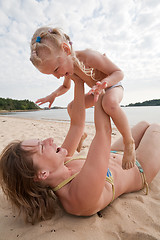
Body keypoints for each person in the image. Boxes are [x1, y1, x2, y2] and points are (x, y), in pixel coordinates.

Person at [0, 78, 160, 225]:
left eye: (41, 141)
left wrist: (78, 80)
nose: (49, 140)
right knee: (155, 127)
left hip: (117, 153)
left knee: (144, 123)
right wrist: (99, 87)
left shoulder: (61, 161)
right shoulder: (79, 197)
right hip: (139, 168)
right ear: (42, 174)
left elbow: (77, 124)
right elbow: (103, 131)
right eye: (42, 147)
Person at [30, 26, 135, 170]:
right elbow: (66, 87)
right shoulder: (68, 70)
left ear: (66, 50)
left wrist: (104, 84)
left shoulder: (89, 57)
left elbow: (118, 73)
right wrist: (53, 95)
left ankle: (129, 142)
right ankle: (82, 133)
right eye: (52, 74)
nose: (57, 75)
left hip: (113, 85)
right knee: (71, 107)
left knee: (109, 103)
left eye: (56, 70)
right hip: (95, 90)